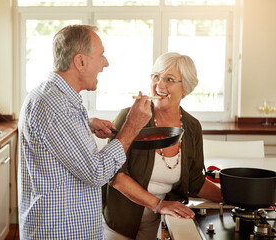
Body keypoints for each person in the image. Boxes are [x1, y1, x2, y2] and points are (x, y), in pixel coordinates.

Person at [18, 24, 152, 239]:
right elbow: (97, 173)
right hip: (59, 233)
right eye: (101, 56)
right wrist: (132, 126)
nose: (105, 63)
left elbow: (54, 137)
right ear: (80, 62)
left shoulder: (55, 98)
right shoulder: (55, 106)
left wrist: (85, 124)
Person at [102, 52, 223, 240]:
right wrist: (159, 205)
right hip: (119, 225)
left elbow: (194, 181)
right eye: (156, 76)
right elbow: (116, 176)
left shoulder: (192, 127)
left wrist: (231, 197)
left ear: (186, 88)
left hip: (161, 224)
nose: (159, 85)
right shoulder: (130, 117)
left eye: (169, 79)